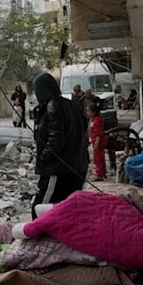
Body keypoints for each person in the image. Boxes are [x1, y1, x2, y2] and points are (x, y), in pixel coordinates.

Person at [32, 73, 88, 218]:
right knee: (66, 210)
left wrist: (44, 159)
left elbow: (55, 140)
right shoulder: (69, 104)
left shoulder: (53, 106)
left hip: (58, 169)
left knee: (40, 208)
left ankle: (35, 238)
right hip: (77, 166)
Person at [87, 103, 106, 181]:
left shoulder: (97, 120)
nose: (87, 113)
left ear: (94, 112)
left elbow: (99, 133)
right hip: (94, 140)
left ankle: (100, 174)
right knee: (98, 158)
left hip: (98, 142)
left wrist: (96, 143)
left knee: (98, 158)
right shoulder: (92, 119)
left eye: (88, 111)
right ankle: (102, 173)